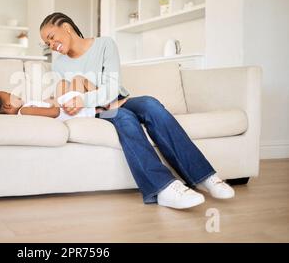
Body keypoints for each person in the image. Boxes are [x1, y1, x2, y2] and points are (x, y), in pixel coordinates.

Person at [39, 12, 235, 210]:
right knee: (123, 117)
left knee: (150, 104)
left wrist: (85, 97)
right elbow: (66, 96)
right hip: (95, 110)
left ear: (66, 27)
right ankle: (163, 188)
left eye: (51, 37)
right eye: (47, 43)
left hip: (118, 100)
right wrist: (88, 102)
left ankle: (204, 177)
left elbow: (112, 87)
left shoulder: (104, 45)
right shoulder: (60, 64)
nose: (50, 44)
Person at [0, 76, 101, 121]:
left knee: (62, 83)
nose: (14, 94)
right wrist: (54, 102)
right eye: (10, 94)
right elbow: (55, 112)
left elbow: (43, 112)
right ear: (8, 106)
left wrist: (48, 101)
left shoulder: (24, 112)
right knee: (78, 80)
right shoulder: (23, 111)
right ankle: (104, 98)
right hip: (69, 111)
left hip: (63, 109)